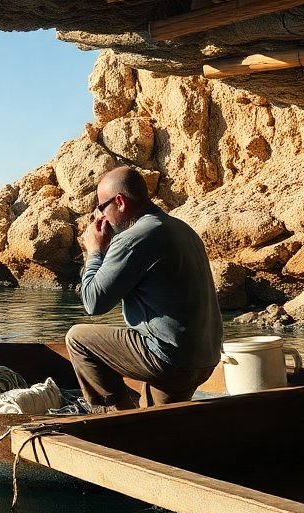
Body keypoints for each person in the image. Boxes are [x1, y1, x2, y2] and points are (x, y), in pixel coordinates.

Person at [66, 166, 223, 411]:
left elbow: (93, 303)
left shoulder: (132, 240)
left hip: (169, 360)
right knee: (154, 423)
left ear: (119, 202)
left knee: (77, 338)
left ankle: (115, 419)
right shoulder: (183, 229)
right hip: (205, 360)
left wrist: (94, 251)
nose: (100, 216)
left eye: (101, 207)